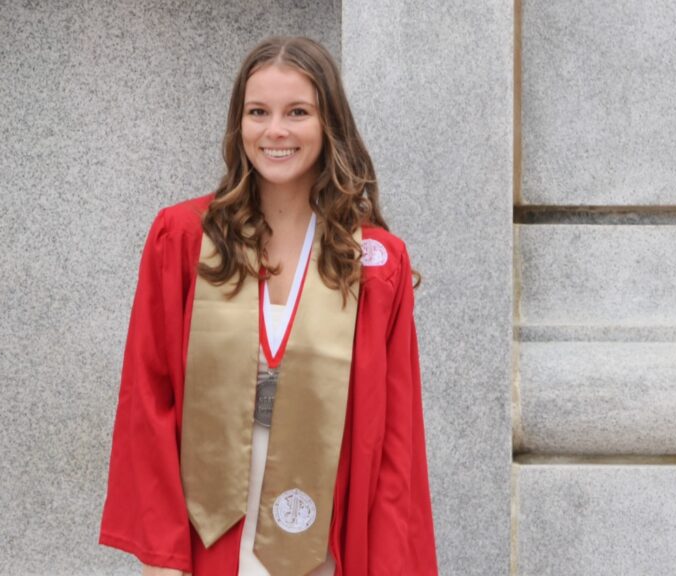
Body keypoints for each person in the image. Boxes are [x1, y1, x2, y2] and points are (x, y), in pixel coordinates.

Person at [99, 36, 438, 576]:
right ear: (239, 125)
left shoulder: (374, 262)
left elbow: (396, 441)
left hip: (326, 526)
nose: (275, 131)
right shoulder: (185, 239)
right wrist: (163, 554)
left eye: (297, 112)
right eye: (258, 112)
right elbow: (149, 396)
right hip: (209, 526)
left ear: (330, 126)